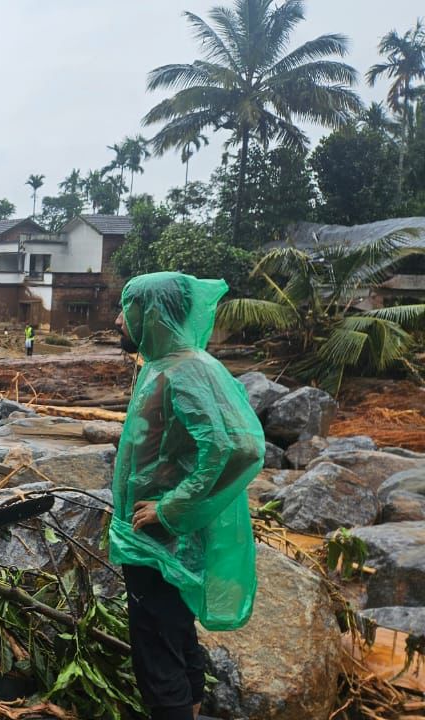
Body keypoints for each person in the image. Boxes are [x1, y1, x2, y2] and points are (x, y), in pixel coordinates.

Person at [109, 272, 264, 720]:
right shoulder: (164, 364)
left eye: (127, 309)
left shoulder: (187, 369)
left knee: (159, 659)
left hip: (162, 541)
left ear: (151, 313)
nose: (119, 319)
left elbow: (238, 447)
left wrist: (171, 507)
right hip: (153, 543)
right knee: (174, 638)